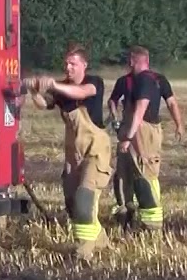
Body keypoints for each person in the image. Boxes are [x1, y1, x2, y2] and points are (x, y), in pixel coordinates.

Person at [26, 44, 112, 260]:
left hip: (95, 151)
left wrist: (53, 84)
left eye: (73, 64)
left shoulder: (94, 83)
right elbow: (42, 105)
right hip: (74, 155)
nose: (68, 67)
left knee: (85, 199)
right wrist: (34, 90)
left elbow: (80, 92)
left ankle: (84, 253)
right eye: (66, 63)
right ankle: (101, 240)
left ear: (84, 65)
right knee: (73, 205)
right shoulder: (62, 88)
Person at [114, 45, 166, 231]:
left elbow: (140, 110)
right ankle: (131, 214)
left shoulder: (145, 80)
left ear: (134, 60)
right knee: (130, 172)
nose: (128, 63)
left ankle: (152, 223)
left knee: (145, 172)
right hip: (135, 129)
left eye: (130, 59)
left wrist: (128, 137)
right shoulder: (137, 80)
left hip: (142, 130)